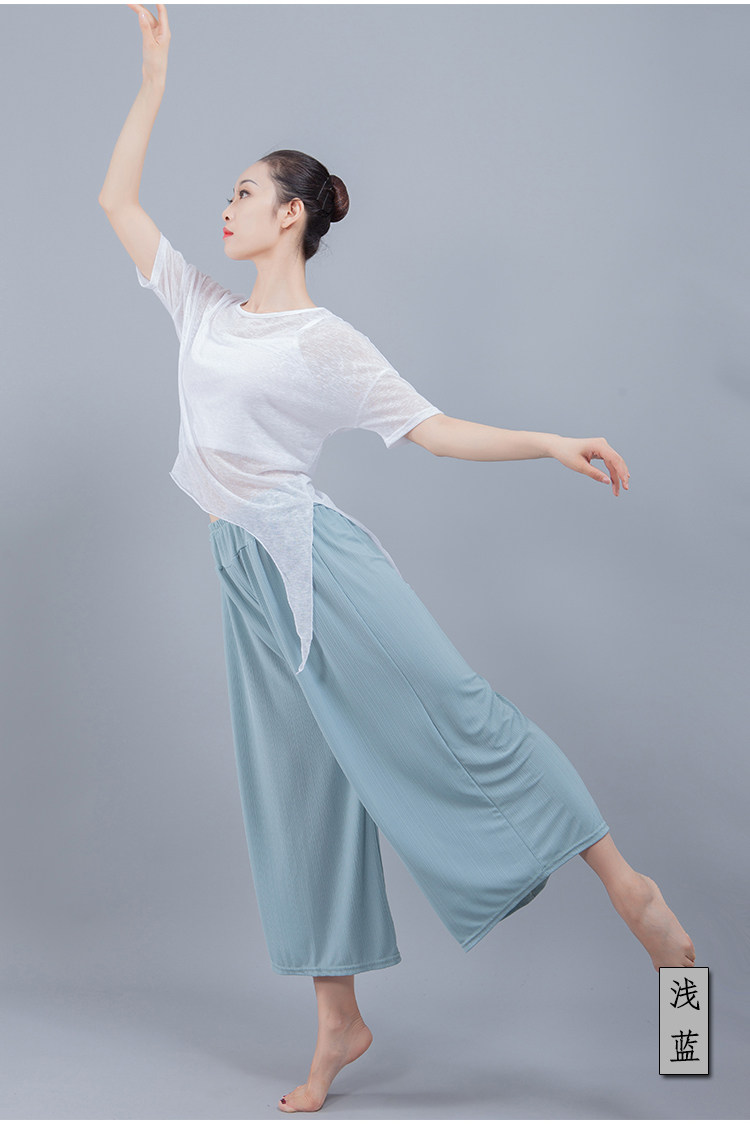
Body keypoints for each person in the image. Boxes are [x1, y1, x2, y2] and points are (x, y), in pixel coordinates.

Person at [99, 5, 696, 1114]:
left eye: (243, 191)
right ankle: (339, 1019)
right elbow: (115, 204)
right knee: (297, 788)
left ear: (290, 215)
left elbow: (434, 430)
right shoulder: (202, 312)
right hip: (245, 577)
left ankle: (634, 894)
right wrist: (152, 82)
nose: (225, 205)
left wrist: (549, 441)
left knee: (460, 707)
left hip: (318, 564)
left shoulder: (325, 342)